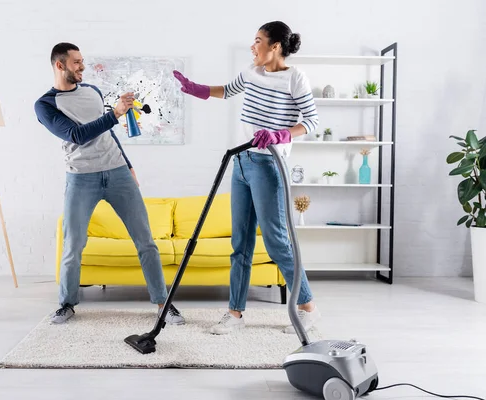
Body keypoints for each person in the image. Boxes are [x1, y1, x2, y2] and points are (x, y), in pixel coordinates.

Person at [173, 21, 320, 335]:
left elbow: (312, 121)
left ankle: (308, 307)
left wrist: (281, 134)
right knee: (240, 242)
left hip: (268, 166)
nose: (253, 47)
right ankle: (235, 313)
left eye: (258, 41)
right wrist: (194, 88)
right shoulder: (251, 72)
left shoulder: (295, 78)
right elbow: (226, 91)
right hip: (240, 162)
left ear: (276, 46)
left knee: (277, 241)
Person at [34, 42, 185, 325]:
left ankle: (163, 304)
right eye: (77, 62)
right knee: (73, 245)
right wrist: (114, 114)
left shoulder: (92, 91)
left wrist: (128, 165)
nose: (82, 66)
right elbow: (78, 135)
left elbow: (107, 135)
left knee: (146, 242)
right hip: (81, 178)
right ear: (60, 65)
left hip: (117, 172)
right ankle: (67, 304)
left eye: (82, 61)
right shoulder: (45, 104)